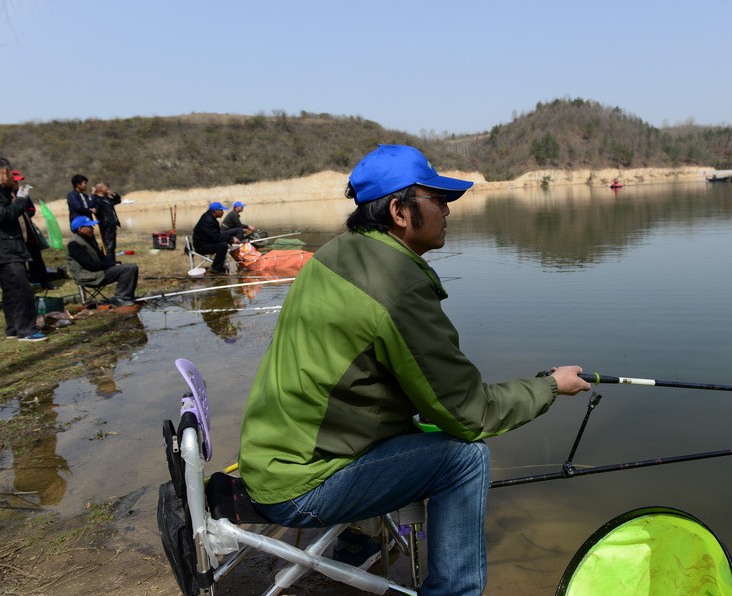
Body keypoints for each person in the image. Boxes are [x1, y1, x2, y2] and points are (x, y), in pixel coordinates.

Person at [238, 144, 591, 595]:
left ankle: (354, 548)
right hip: (300, 483)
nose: (447, 211)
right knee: (465, 457)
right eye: (438, 199)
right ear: (399, 211)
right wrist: (550, 386)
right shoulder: (396, 286)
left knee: (423, 430)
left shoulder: (336, 253)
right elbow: (470, 413)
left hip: (271, 459)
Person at [0, 157, 47, 341]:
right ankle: (27, 330)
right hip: (2, 246)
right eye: (11, 173)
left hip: (5, 244)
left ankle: (13, 329)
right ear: (4, 171)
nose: (13, 179)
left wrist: (14, 195)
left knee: (10, 289)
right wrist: (21, 201)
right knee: (21, 288)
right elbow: (1, 215)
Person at [67, 215, 138, 306]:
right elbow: (89, 265)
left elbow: (102, 257)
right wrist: (111, 265)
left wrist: (114, 263)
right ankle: (121, 298)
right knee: (129, 268)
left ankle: (127, 296)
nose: (93, 228)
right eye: (89, 226)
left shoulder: (88, 239)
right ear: (80, 228)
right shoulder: (74, 244)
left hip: (97, 272)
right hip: (88, 276)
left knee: (130, 267)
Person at [192, 202, 240, 275]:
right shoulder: (209, 220)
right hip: (201, 246)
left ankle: (220, 266)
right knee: (223, 245)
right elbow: (216, 237)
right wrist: (231, 239)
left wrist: (230, 239)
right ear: (215, 211)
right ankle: (215, 268)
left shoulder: (209, 217)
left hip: (205, 242)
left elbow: (216, 235)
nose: (223, 212)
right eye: (221, 210)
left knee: (224, 243)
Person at [90, 181, 122, 256]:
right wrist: (93, 194)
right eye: (105, 187)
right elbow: (94, 208)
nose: (107, 188)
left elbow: (118, 200)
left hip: (112, 224)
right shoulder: (97, 200)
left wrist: (113, 194)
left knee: (112, 245)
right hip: (105, 225)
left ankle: (112, 260)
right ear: (101, 189)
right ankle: (108, 260)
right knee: (108, 245)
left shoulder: (107, 199)